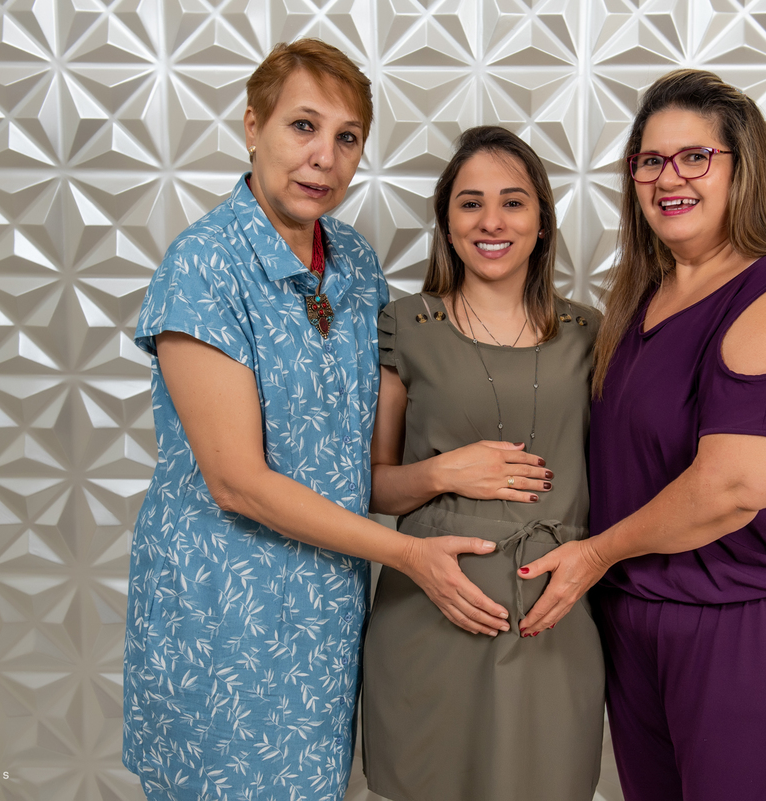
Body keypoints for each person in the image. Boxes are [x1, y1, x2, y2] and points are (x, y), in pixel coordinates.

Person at [123, 41, 509, 801]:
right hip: (221, 617)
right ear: (252, 127)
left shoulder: (355, 263)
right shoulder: (204, 267)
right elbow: (238, 482)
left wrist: (443, 472)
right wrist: (411, 557)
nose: (324, 157)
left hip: (325, 613)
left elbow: (351, 461)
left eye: (347, 137)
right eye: (303, 125)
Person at [514, 69, 766, 800]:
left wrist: (596, 553)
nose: (669, 178)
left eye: (696, 157)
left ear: (743, 169)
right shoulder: (645, 294)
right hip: (648, 624)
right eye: (650, 161)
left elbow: (735, 487)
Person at [361, 126, 605, 801]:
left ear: (542, 220)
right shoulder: (406, 325)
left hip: (552, 615)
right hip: (430, 612)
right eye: (470, 203)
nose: (491, 221)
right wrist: (442, 473)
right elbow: (371, 487)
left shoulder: (591, 334)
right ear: (446, 222)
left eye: (512, 202)